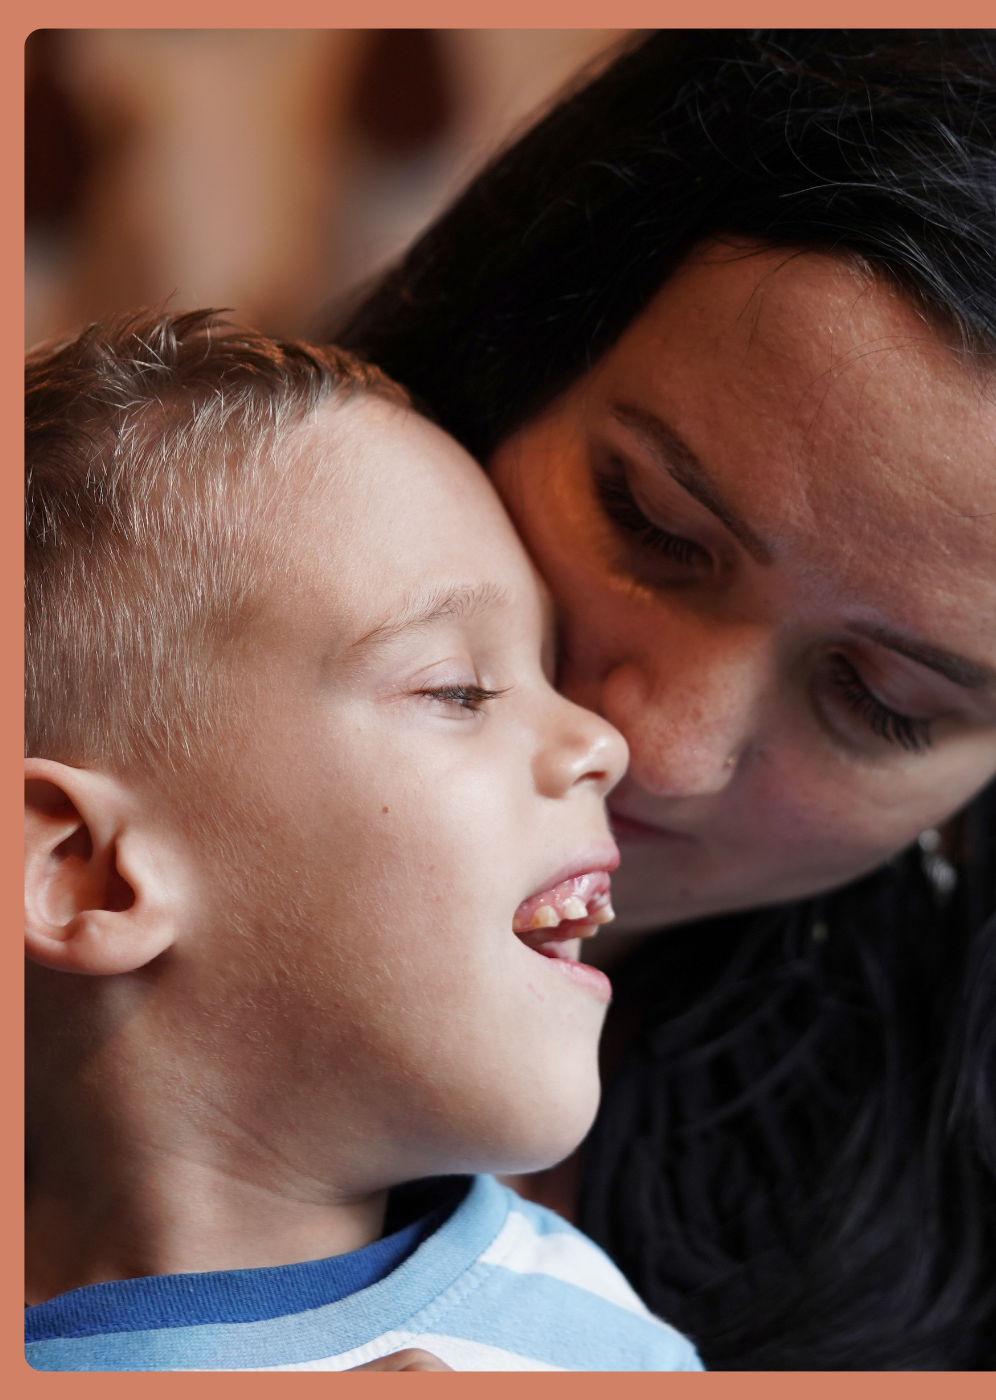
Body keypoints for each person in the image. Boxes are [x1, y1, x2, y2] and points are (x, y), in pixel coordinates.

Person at [342, 30, 996, 1369]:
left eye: (884, 702)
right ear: (512, 342)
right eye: (651, 522)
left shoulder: (993, 1245)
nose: (664, 744)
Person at [23, 309, 703, 1373]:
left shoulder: (596, 1350)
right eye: (459, 688)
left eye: (547, 670)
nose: (601, 740)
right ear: (88, 870)